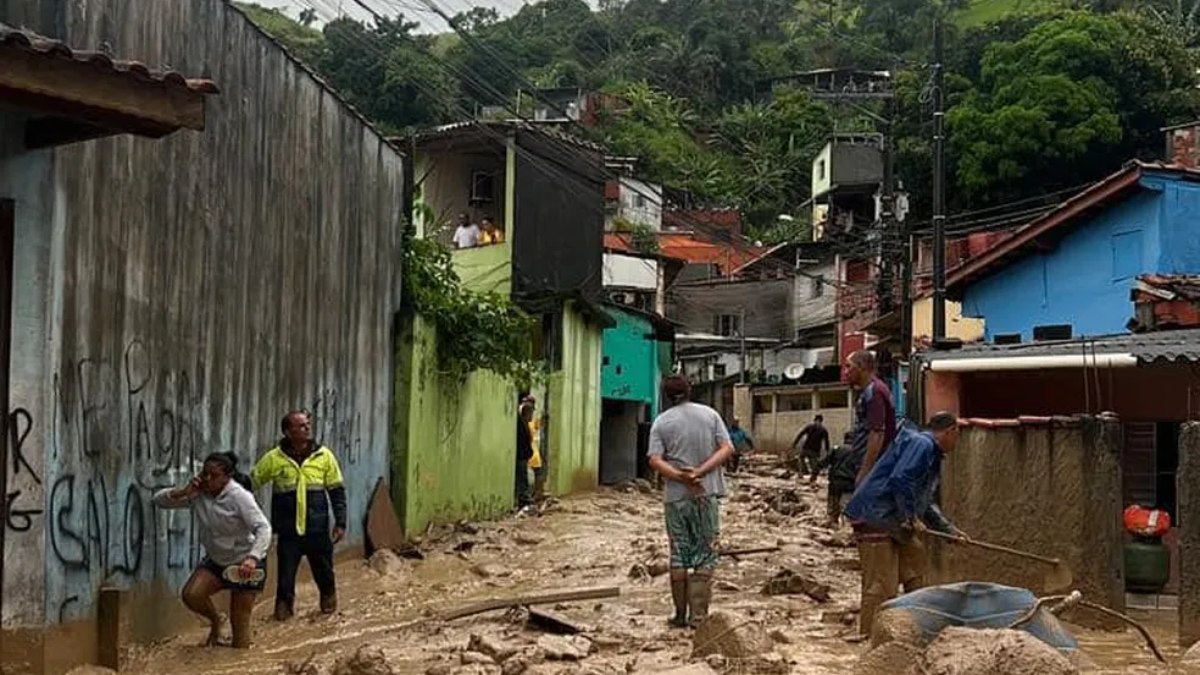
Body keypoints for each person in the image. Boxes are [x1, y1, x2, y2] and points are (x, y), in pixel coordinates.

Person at [843, 412, 969, 637]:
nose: (956, 442)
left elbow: (925, 502)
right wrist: (909, 517)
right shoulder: (922, 444)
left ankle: (917, 626)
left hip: (893, 519)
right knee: (880, 584)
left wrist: (948, 530)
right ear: (950, 431)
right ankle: (872, 638)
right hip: (876, 516)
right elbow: (901, 479)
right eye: (957, 435)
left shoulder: (928, 450)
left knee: (916, 565)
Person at [153, 452, 271, 648]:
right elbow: (158, 501)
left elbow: (263, 528)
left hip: (245, 563)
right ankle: (216, 621)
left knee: (241, 639)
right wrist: (183, 491)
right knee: (191, 595)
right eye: (204, 473)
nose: (207, 479)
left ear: (227, 477)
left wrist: (252, 558)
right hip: (216, 561)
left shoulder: (240, 497)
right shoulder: (197, 495)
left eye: (213, 475)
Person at [647, 374, 735, 629]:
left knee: (679, 555)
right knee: (705, 554)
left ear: (664, 395)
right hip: (705, 495)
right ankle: (699, 618)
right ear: (689, 391)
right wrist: (699, 473)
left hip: (675, 498)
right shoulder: (710, 415)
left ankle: (679, 616)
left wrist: (680, 477)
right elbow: (727, 448)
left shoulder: (661, 421)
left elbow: (654, 459)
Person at [252, 410, 348, 621]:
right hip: (288, 532)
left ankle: (329, 610)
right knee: (285, 581)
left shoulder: (324, 456)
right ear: (288, 431)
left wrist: (340, 522)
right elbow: (252, 482)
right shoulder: (274, 459)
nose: (307, 429)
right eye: (301, 426)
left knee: (325, 574)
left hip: (317, 529)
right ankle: (283, 616)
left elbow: (336, 491)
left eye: (307, 425)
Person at [844, 350, 897, 486]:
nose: (845, 372)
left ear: (861, 367)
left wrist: (865, 472)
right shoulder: (870, 390)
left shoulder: (875, 392)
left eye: (849, 366)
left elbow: (877, 433)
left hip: (876, 466)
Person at [809, 431, 856, 528]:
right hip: (849, 484)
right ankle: (845, 531)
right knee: (846, 509)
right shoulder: (857, 451)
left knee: (832, 513)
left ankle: (832, 530)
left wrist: (813, 477)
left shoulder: (836, 449)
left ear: (844, 439)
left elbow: (822, 463)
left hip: (835, 483)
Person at [792, 414, 831, 478]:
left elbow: (826, 441)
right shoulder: (820, 429)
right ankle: (806, 473)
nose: (817, 422)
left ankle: (807, 474)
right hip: (810, 449)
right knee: (804, 460)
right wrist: (795, 443)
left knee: (810, 462)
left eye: (818, 421)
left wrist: (795, 443)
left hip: (810, 449)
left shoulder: (818, 429)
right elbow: (801, 434)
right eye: (817, 421)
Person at [516, 399, 535, 508]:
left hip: (524, 456)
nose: (532, 416)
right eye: (531, 413)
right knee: (523, 478)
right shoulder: (521, 424)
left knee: (524, 478)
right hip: (521, 456)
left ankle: (524, 498)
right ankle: (523, 499)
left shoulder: (524, 423)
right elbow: (523, 441)